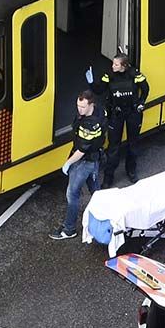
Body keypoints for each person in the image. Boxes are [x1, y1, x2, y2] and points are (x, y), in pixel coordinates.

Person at [50, 89, 105, 241]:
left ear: (90, 105)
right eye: (78, 106)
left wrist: (67, 163)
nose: (79, 109)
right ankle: (104, 217)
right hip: (95, 158)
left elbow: (81, 150)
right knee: (95, 191)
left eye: (82, 107)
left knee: (72, 194)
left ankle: (69, 229)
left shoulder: (89, 125)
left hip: (84, 162)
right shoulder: (99, 112)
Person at [96, 51, 150, 182]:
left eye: (115, 64)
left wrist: (141, 103)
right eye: (113, 63)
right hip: (116, 113)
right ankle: (108, 177)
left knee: (133, 144)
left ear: (123, 66)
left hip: (132, 113)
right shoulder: (109, 75)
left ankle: (131, 170)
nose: (112, 66)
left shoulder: (134, 74)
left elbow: (146, 88)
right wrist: (92, 83)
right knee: (113, 147)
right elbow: (99, 90)